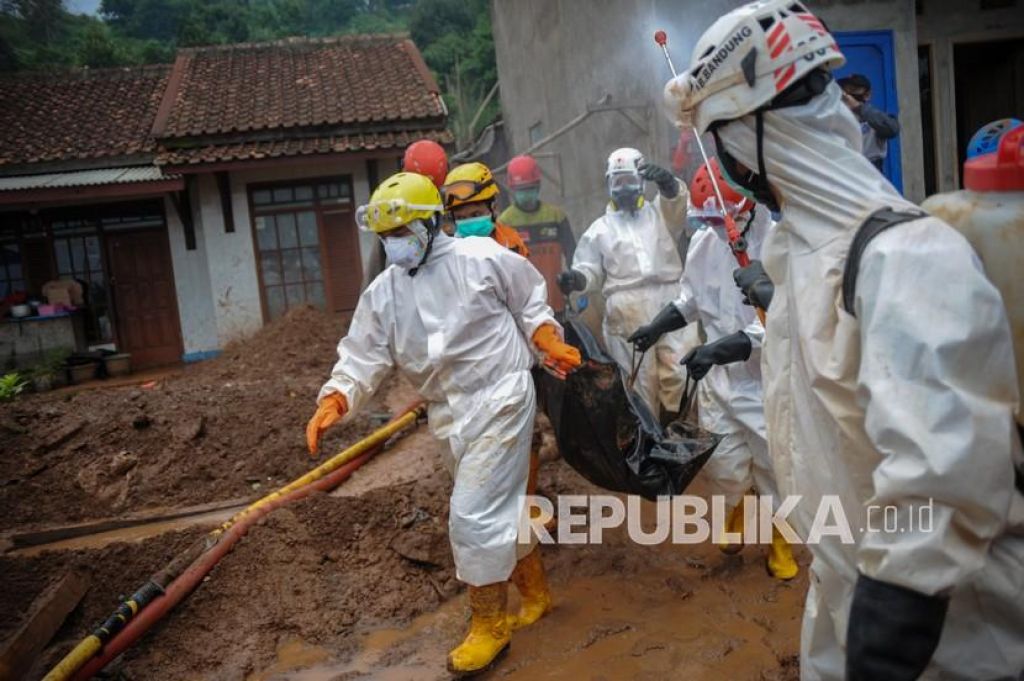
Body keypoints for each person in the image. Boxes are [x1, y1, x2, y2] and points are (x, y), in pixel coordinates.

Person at [664, 2, 1024, 679]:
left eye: (720, 141)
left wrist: (886, 637)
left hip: (946, 634)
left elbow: (941, 483)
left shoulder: (906, 256)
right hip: (846, 589)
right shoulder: (802, 253)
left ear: (749, 136)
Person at [305, 172, 581, 675]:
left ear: (432, 223)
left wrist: (546, 338)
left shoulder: (483, 260)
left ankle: (490, 627)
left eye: (402, 232)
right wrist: (338, 396)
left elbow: (530, 303)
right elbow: (363, 353)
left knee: (473, 512)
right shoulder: (384, 293)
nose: (394, 245)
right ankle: (536, 594)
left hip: (500, 396)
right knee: (504, 506)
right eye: (386, 237)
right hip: (448, 411)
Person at [628, 159, 797, 580]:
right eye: (710, 222)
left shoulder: (776, 246)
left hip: (766, 383)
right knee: (723, 465)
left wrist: (718, 349)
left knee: (775, 468)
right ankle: (737, 510)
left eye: (726, 221)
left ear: (749, 208)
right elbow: (689, 301)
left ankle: (781, 539)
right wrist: (655, 327)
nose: (720, 231)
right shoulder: (706, 244)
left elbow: (776, 324)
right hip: (721, 383)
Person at [558, 148, 689, 416]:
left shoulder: (660, 215)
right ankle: (650, 440)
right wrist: (577, 279)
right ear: (608, 184)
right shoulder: (599, 230)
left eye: (629, 180)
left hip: (671, 298)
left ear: (641, 180)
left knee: (680, 370)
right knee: (639, 381)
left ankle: (680, 424)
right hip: (625, 308)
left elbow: (677, 206)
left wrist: (668, 185)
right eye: (617, 182)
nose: (623, 188)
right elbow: (589, 269)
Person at [498, 154, 577, 312]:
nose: (526, 195)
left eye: (530, 189)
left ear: (538, 186)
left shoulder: (556, 217)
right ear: (513, 190)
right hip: (523, 309)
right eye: (522, 190)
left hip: (557, 303)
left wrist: (576, 284)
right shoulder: (504, 223)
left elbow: (574, 257)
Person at [442, 162, 530, 255]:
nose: (469, 222)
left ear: (494, 208)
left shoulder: (513, 243)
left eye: (475, 214)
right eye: (461, 218)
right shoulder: (448, 253)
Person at [837, 74, 900, 172]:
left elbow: (892, 129)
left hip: (870, 170)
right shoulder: (836, 116)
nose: (847, 94)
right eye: (845, 90)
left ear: (867, 95)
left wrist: (859, 107)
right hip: (845, 171)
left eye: (853, 89)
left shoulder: (874, 117)